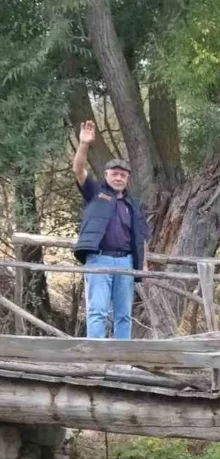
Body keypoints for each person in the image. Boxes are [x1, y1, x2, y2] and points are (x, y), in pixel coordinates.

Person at [72, 120, 151, 339]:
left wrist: (143, 264)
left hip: (125, 262)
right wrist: (84, 144)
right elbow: (78, 169)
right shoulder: (95, 192)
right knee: (97, 311)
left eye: (123, 175)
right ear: (106, 175)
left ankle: (121, 361)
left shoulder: (133, 204)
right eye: (114, 173)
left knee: (124, 314)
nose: (118, 177)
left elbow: (141, 235)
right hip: (98, 259)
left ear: (127, 179)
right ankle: (95, 361)